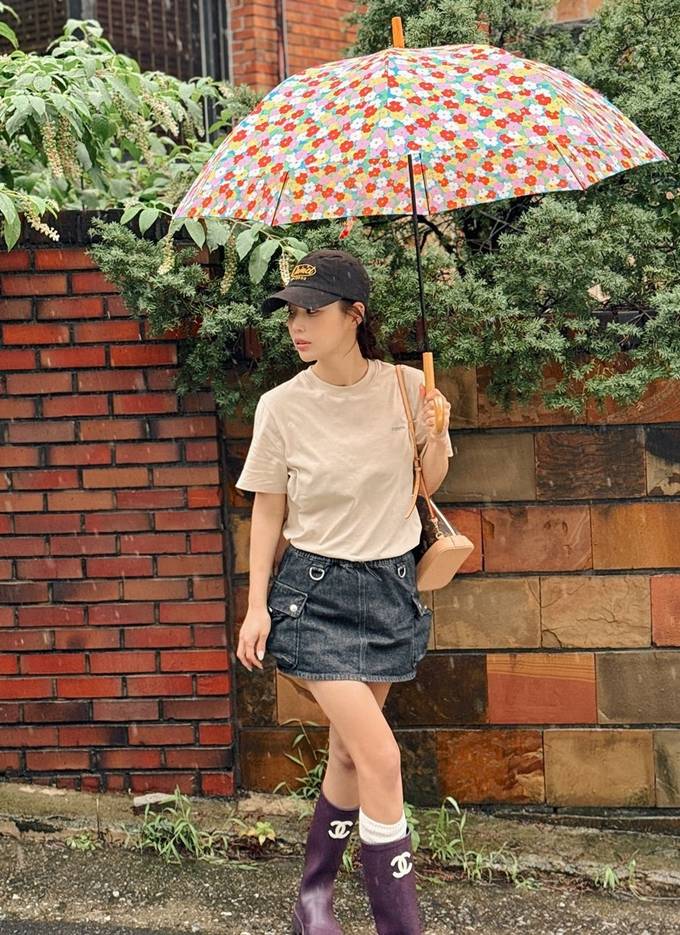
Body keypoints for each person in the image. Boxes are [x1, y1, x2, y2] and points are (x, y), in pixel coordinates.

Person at [235, 248, 453, 934]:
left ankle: (313, 899)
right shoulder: (281, 406)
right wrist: (255, 606)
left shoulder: (407, 388)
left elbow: (428, 484)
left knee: (352, 754)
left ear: (354, 314)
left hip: (389, 589)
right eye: (290, 313)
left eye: (312, 311)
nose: (296, 326)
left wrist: (438, 431)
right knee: (381, 755)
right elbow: (267, 510)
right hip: (314, 596)